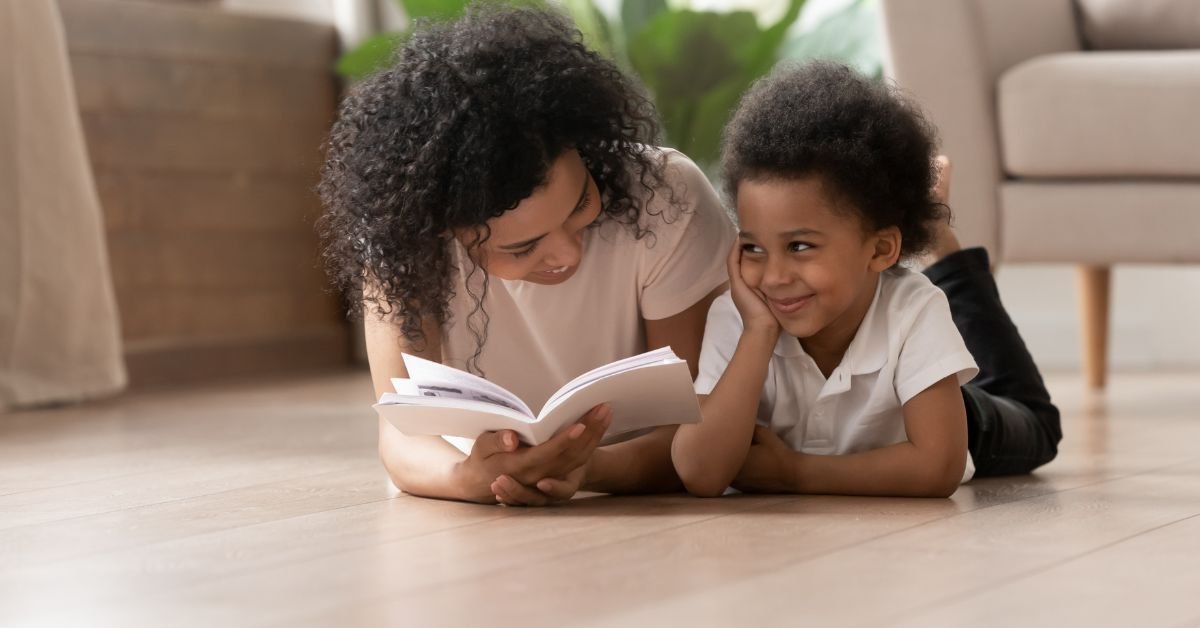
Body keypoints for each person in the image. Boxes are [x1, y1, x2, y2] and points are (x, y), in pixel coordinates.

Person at [319, 7, 734, 505]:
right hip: (474, 483)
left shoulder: (664, 195)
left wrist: (589, 468)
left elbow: (694, 424)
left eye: (580, 203)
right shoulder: (406, 238)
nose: (566, 253)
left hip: (636, 490)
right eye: (521, 246)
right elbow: (403, 436)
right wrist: (470, 479)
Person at [672, 62, 1061, 498]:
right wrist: (758, 334)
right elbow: (700, 474)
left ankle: (941, 244)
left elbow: (937, 467)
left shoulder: (913, 308)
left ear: (879, 250)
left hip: (966, 420)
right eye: (753, 248)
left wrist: (793, 473)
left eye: (799, 246)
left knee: (1038, 421)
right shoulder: (741, 317)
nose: (774, 277)